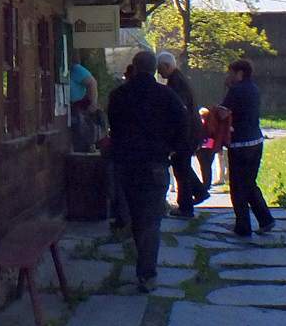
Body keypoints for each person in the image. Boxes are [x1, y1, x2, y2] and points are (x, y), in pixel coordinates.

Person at [104, 50, 191, 290]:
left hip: (127, 163)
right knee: (151, 219)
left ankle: (142, 264)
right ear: (154, 69)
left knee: (134, 216)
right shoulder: (167, 95)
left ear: (134, 67)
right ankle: (147, 273)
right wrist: (172, 148)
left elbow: (113, 125)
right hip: (155, 162)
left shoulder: (119, 95)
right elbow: (183, 126)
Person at [220, 57, 275, 236]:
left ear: (239, 73)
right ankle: (265, 219)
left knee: (237, 186)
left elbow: (222, 113)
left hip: (240, 143)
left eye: (231, 73)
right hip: (256, 141)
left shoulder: (236, 90)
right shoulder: (254, 89)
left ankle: (243, 227)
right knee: (249, 182)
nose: (229, 76)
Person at [155, 51, 206, 217]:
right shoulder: (178, 80)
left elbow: (179, 112)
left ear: (167, 66)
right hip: (190, 132)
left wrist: (175, 138)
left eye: (160, 68)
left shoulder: (175, 83)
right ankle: (198, 192)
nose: (158, 72)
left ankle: (185, 207)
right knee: (181, 166)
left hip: (185, 133)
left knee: (181, 169)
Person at [69, 57, 100, 150]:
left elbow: (92, 83)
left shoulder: (75, 69)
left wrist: (93, 103)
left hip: (78, 106)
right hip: (66, 108)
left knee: (82, 133)